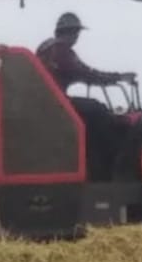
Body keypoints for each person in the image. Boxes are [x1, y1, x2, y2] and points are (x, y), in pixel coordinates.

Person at [36, 11, 136, 180]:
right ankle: (109, 163)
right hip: (55, 105)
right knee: (98, 110)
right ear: (70, 32)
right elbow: (88, 74)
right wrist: (119, 77)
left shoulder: (46, 48)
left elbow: (83, 74)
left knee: (92, 110)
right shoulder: (61, 51)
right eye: (76, 33)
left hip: (47, 103)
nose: (77, 38)